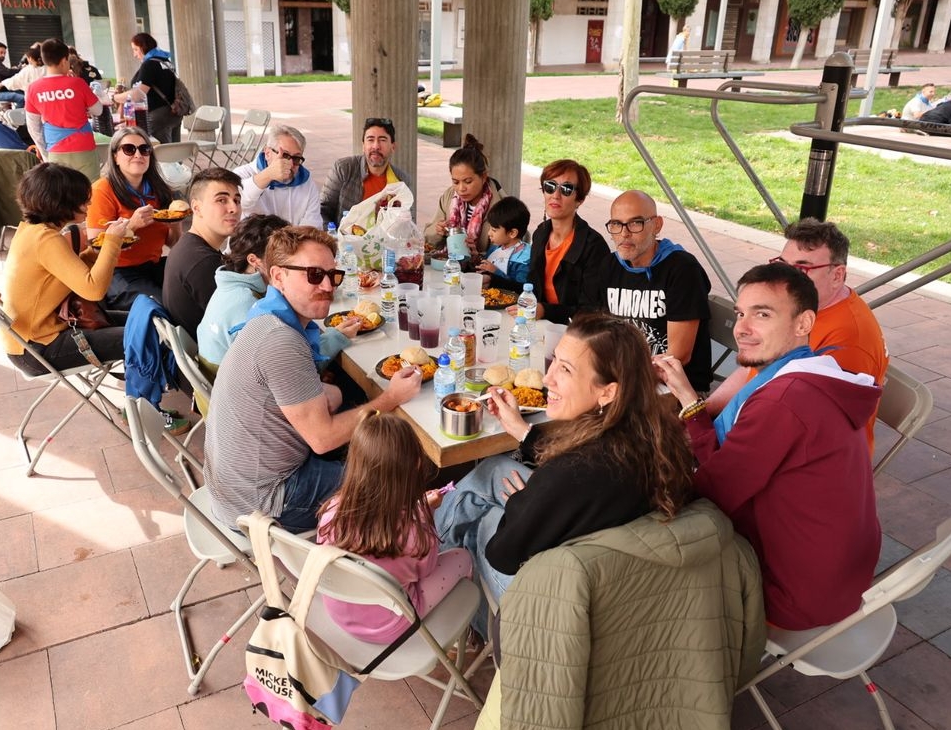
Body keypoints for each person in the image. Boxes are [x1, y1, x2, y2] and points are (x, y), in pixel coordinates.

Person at [655, 262, 882, 631]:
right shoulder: (816, 372)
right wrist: (687, 399)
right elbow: (732, 465)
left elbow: (710, 495)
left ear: (804, 324)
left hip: (795, 597)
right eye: (741, 313)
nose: (741, 329)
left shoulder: (784, 400)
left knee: (647, 549)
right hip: (842, 581)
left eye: (762, 314)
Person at [435, 313, 696, 629]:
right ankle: (437, 556)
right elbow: (571, 481)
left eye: (566, 370)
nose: (547, 379)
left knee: (477, 527)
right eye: (555, 361)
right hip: (619, 586)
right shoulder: (651, 434)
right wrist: (523, 432)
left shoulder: (569, 475)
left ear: (608, 392)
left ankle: (451, 601)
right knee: (493, 470)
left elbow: (501, 553)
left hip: (559, 610)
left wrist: (523, 504)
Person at [203, 225, 423, 533]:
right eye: (313, 275)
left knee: (348, 404)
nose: (328, 286)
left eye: (332, 276)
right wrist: (392, 397)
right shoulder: (281, 340)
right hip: (264, 505)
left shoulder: (266, 317)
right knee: (401, 471)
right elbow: (323, 439)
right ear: (278, 276)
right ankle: (406, 549)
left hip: (236, 490)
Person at [707, 218, 888, 452]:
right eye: (783, 265)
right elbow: (750, 370)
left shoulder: (849, 341)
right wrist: (705, 410)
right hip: (752, 420)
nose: (785, 279)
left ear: (837, 275)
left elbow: (807, 429)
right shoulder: (796, 307)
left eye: (802, 268)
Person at [317, 412, 473, 644]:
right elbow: (427, 569)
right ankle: (462, 639)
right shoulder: (414, 535)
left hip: (340, 611)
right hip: (390, 624)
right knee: (463, 557)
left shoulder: (332, 509)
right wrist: (425, 514)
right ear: (417, 465)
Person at [2, 162, 130, 376]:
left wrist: (97, 249)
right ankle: (142, 400)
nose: (89, 203)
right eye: (82, 198)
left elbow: (69, 272)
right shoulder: (46, 239)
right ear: (61, 203)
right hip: (37, 348)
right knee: (144, 336)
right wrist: (112, 243)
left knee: (144, 321)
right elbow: (93, 289)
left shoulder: (32, 231)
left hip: (32, 338)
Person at [584, 190, 712, 392]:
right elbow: (598, 330)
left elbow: (678, 356)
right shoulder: (610, 265)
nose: (624, 233)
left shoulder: (682, 269)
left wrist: (620, 380)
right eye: (616, 224)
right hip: (624, 379)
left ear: (657, 225)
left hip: (675, 390)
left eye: (635, 223)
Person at [197, 213, 357, 370]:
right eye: (276, 252)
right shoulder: (248, 306)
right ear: (254, 261)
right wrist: (335, 338)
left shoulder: (232, 286)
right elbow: (293, 365)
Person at [86, 127, 182, 309]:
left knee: (193, 289)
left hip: (153, 265)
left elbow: (173, 243)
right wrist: (132, 225)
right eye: (129, 149)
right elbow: (96, 247)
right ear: (115, 156)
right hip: (117, 272)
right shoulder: (102, 190)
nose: (138, 154)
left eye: (144, 149)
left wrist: (175, 224)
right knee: (165, 307)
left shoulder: (159, 189)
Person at [519, 159, 610, 323]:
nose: (555, 195)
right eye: (550, 186)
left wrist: (546, 311)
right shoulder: (541, 234)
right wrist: (494, 279)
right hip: (539, 326)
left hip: (576, 333)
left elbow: (592, 311)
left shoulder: (594, 246)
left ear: (579, 199)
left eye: (566, 189)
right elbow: (531, 287)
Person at [161, 168, 243, 338]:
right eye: (222, 200)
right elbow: (238, 327)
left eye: (237, 200)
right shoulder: (203, 263)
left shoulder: (190, 247)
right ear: (196, 208)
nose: (233, 208)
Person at [25, 37, 102, 181]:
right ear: (64, 60)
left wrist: (45, 151)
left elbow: (33, 127)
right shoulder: (77, 84)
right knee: (91, 193)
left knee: (62, 196)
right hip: (83, 148)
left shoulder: (33, 89)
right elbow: (98, 110)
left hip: (56, 151)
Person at [319, 117, 414, 226]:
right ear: (363, 145)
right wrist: (333, 238)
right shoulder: (344, 168)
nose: (376, 146)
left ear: (393, 146)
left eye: (382, 140)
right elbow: (322, 210)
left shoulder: (401, 182)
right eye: (370, 139)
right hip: (345, 240)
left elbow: (408, 221)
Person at [423, 134, 502, 261]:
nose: (461, 188)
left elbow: (505, 255)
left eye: (468, 181)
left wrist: (477, 255)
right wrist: (437, 231)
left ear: (483, 177)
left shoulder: (500, 206)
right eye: (455, 182)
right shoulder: (449, 197)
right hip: (449, 267)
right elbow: (428, 241)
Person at [233, 124, 322, 227]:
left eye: (296, 158)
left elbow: (312, 225)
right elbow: (238, 203)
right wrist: (268, 175)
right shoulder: (242, 174)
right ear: (267, 153)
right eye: (285, 155)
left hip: (294, 242)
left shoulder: (306, 182)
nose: (290, 164)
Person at [114, 33, 182, 143]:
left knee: (159, 152)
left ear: (143, 47)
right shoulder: (165, 61)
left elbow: (138, 94)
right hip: (174, 113)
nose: (134, 55)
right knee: (174, 153)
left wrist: (116, 97)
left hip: (157, 116)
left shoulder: (149, 65)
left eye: (135, 50)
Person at [475, 196, 531, 291]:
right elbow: (484, 267)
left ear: (512, 233)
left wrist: (495, 272)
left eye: (494, 230)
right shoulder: (495, 248)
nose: (489, 233)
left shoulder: (524, 259)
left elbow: (521, 288)